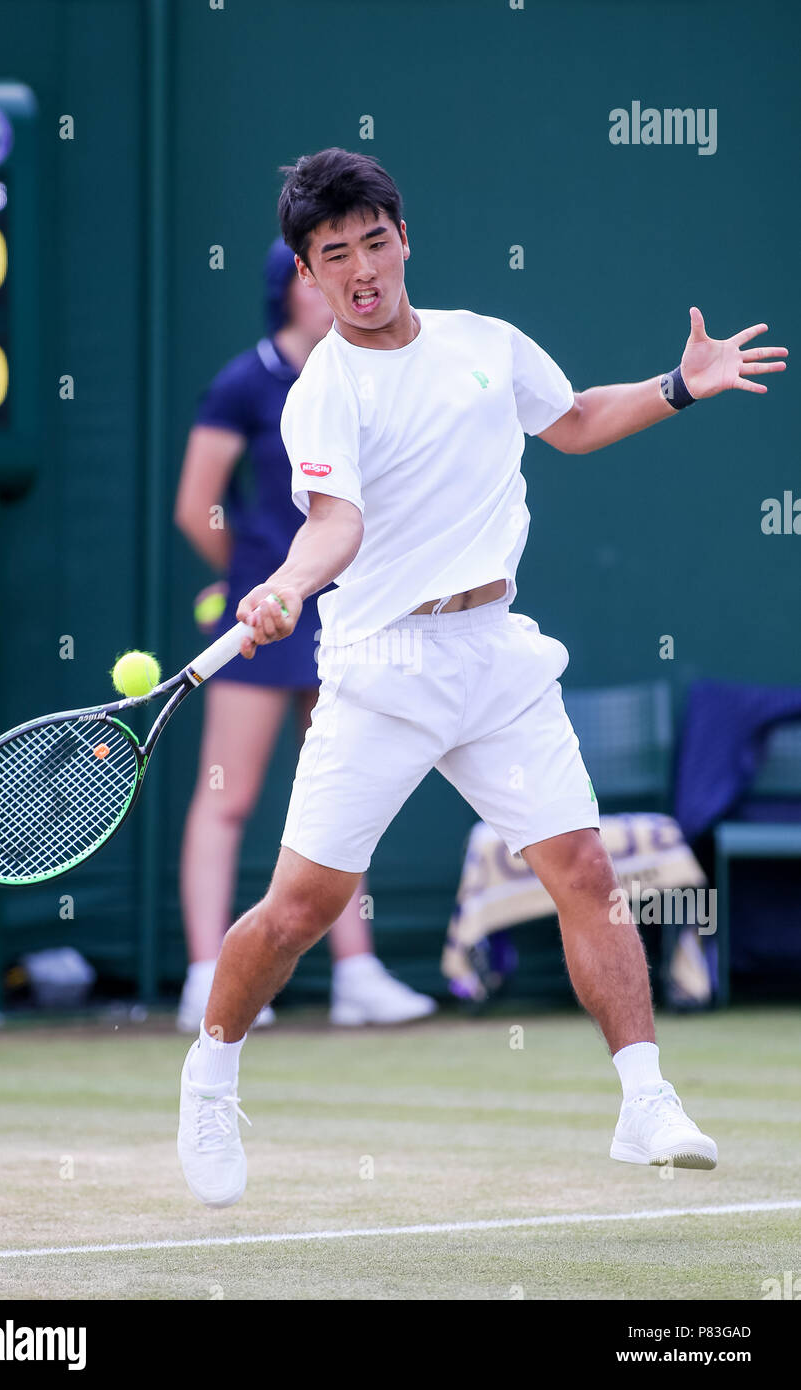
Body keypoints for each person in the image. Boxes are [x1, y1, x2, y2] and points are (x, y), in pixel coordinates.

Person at [177, 148, 788, 1207]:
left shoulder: (483, 345)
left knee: (585, 872)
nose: (362, 269)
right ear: (307, 275)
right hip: (380, 666)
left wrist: (677, 386)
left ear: (402, 237)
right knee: (297, 911)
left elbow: (576, 423)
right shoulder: (321, 391)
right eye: (335, 256)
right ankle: (211, 1070)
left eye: (375, 241)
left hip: (495, 653)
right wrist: (283, 585)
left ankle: (642, 1096)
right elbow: (336, 524)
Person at [174, 237, 437, 1033]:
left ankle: (355, 972)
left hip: (349, 602)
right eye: (323, 269)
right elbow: (196, 505)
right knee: (230, 796)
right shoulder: (246, 382)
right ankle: (205, 976)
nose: (346, 282)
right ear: (293, 285)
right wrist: (259, 580)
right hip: (265, 610)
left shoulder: (367, 376)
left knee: (343, 794)